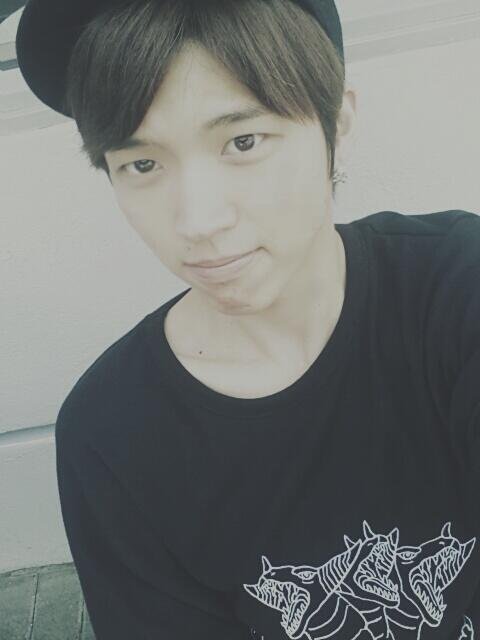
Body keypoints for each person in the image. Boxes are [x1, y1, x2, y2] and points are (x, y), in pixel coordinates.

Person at [15, 0, 480, 638]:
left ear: (337, 123)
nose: (198, 221)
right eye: (143, 164)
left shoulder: (456, 288)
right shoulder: (111, 433)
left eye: (243, 142)